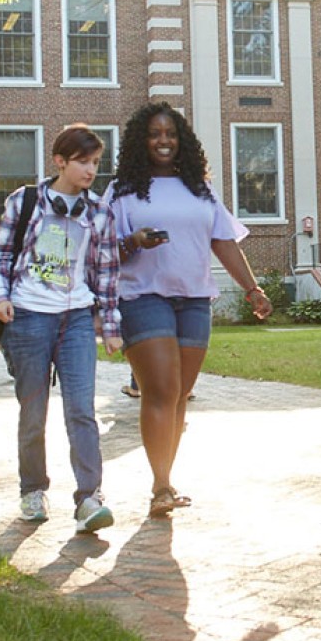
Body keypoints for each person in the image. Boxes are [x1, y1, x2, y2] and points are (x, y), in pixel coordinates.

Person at [106, 102, 272, 519]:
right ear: (141, 141)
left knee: (179, 393)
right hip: (143, 296)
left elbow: (223, 242)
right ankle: (161, 484)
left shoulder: (199, 189)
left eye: (170, 134)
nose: (163, 141)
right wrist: (134, 242)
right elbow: (102, 251)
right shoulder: (122, 192)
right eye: (154, 134)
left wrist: (252, 289)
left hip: (195, 299)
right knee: (161, 389)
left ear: (182, 141)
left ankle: (166, 480)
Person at [0, 124, 122, 531]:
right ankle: (33, 490)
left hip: (76, 318)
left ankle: (89, 499)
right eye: (83, 161)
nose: (91, 170)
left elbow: (107, 274)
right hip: (28, 316)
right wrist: (0, 296)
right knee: (34, 411)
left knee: (81, 410)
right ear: (60, 161)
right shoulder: (25, 201)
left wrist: (110, 324)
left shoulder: (99, 212)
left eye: (96, 162)